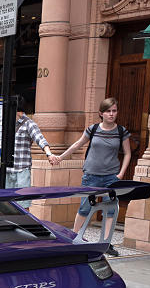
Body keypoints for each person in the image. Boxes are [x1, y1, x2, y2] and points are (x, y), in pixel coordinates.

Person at [53, 97, 131, 256]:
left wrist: (121, 173)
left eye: (114, 111)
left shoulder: (121, 131)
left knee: (110, 209)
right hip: (91, 176)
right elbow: (77, 144)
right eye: (108, 111)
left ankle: (106, 243)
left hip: (111, 177)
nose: (111, 114)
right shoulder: (93, 129)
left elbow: (128, 153)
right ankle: (74, 238)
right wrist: (60, 157)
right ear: (101, 113)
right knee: (85, 207)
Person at [6, 96, 56, 208]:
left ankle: (25, 225)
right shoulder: (7, 123)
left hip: (22, 170)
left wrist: (49, 154)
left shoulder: (29, 123)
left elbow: (40, 138)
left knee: (23, 205)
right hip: (7, 170)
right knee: (7, 205)